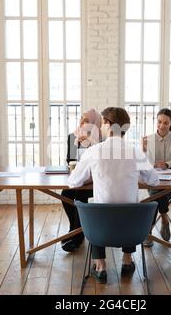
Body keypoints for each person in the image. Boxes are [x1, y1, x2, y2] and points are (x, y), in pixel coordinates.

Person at [68, 107, 159, 284]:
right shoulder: (135, 152)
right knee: (128, 203)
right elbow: (154, 181)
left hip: (100, 228)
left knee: (100, 206)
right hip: (132, 229)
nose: (100, 127)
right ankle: (127, 260)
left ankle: (100, 266)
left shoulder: (94, 151)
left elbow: (73, 182)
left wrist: (93, 175)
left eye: (102, 123)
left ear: (108, 125)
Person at [61, 109, 102, 252]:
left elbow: (102, 161)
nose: (82, 122)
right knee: (65, 194)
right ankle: (74, 229)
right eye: (81, 119)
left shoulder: (101, 139)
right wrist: (76, 144)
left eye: (86, 120)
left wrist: (91, 140)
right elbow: (69, 160)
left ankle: (76, 237)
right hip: (79, 177)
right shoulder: (72, 136)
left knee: (80, 195)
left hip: (96, 181)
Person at [142, 108, 171, 244]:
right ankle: (164, 218)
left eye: (166, 123)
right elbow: (144, 163)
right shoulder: (148, 139)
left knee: (154, 197)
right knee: (156, 190)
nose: (161, 125)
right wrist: (143, 150)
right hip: (153, 180)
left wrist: (166, 164)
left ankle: (148, 233)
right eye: (159, 122)